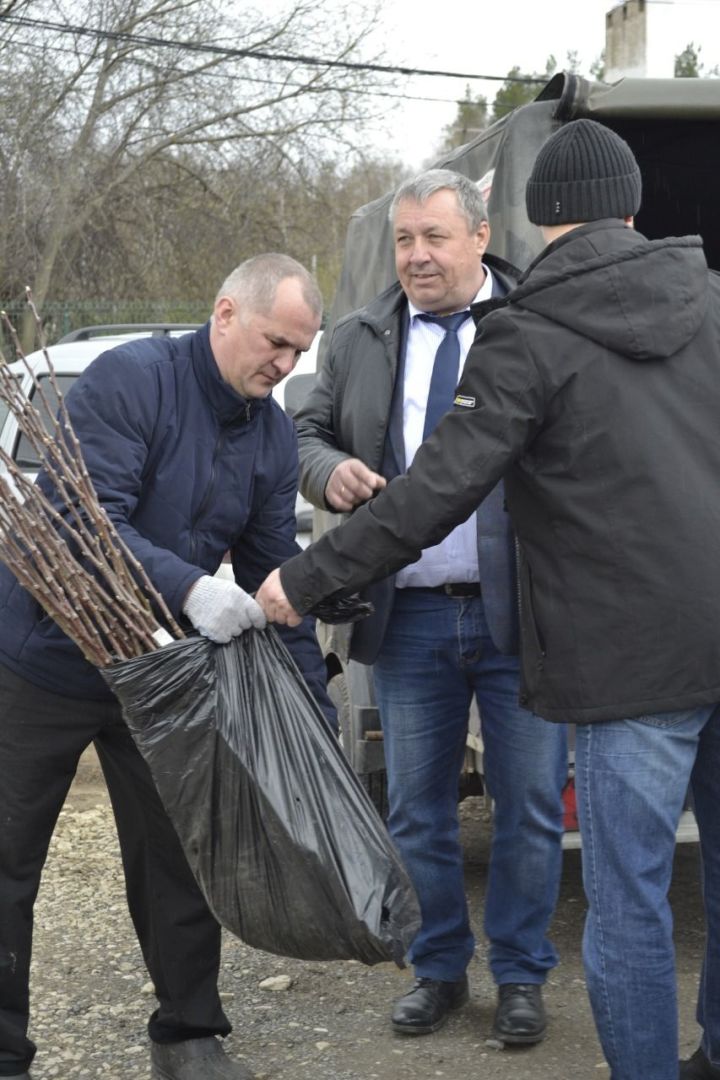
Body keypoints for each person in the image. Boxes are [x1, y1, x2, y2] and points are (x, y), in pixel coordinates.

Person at [257, 120, 720, 1080]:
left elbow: (432, 491)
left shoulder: (529, 333)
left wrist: (301, 581)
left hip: (626, 664)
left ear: (532, 220)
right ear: (632, 210)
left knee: (628, 900)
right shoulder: (712, 303)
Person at [0, 253, 335, 1080]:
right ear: (225, 313)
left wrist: (316, 718)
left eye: (298, 351)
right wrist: (189, 587)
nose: (284, 365)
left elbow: (271, 578)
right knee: (8, 854)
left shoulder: (272, 431)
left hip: (160, 675)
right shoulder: (132, 380)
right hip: (43, 658)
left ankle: (188, 1033)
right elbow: (80, 515)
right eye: (274, 342)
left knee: (180, 849)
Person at [291, 169, 567, 1044]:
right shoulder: (361, 337)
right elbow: (303, 432)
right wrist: (325, 471)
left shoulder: (537, 325)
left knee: (527, 806)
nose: (415, 256)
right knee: (416, 809)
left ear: (480, 237)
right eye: (404, 240)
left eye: (434, 238)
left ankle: (521, 977)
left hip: (522, 613)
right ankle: (439, 967)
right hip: (404, 616)